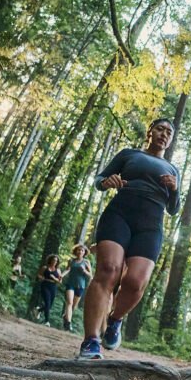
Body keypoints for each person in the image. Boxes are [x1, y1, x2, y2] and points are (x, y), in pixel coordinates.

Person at [77, 119, 181, 359]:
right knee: (108, 270)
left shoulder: (173, 170)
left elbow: (174, 209)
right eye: (160, 129)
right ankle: (91, 341)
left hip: (150, 225)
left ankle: (114, 320)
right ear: (150, 132)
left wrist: (175, 190)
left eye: (169, 132)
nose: (164, 134)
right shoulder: (129, 154)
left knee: (136, 281)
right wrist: (106, 182)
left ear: (170, 140)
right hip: (120, 214)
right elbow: (99, 180)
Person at [61, 244, 93, 331]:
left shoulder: (86, 262)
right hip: (70, 284)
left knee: (73, 306)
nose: (80, 252)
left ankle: (66, 316)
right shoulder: (71, 260)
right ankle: (68, 324)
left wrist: (84, 270)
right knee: (69, 302)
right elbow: (68, 269)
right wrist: (61, 275)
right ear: (76, 251)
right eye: (79, 250)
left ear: (84, 252)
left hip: (80, 286)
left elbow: (90, 275)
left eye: (82, 250)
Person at [36, 254, 62, 327]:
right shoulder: (45, 268)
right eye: (53, 260)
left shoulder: (58, 270)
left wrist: (54, 278)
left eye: (56, 261)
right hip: (45, 285)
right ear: (50, 260)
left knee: (50, 305)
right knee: (47, 302)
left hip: (53, 286)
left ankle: (39, 310)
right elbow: (39, 275)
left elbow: (60, 281)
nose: (54, 262)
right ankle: (47, 321)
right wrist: (41, 277)